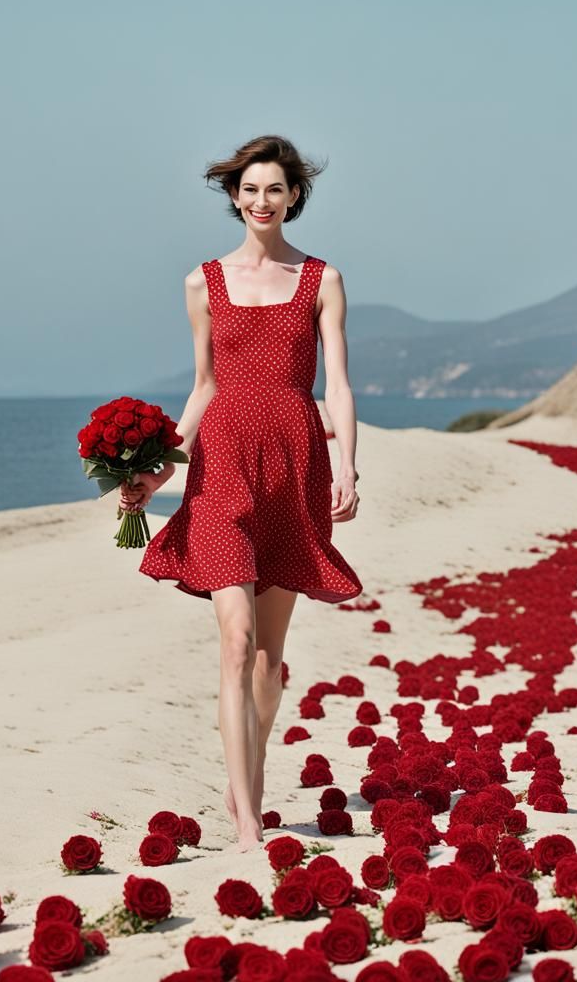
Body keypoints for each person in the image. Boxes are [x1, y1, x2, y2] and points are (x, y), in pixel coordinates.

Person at [122, 135, 362, 854]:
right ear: (234, 197)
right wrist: (163, 467)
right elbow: (203, 388)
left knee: (267, 660)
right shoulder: (202, 283)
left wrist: (347, 461)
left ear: (294, 198)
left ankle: (246, 772)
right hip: (222, 464)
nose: (262, 201)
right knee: (235, 640)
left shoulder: (322, 278)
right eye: (250, 190)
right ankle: (249, 818)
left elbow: (339, 384)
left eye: (275, 190)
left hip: (295, 465)